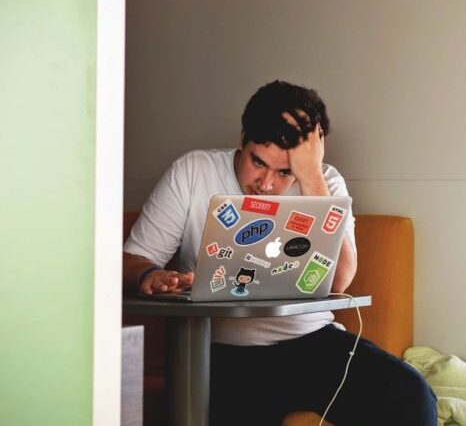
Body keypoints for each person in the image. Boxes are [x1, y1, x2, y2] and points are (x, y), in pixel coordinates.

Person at [122, 80, 437, 425]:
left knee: (412, 396)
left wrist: (311, 177)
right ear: (242, 139)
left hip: (310, 343)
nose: (267, 184)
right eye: (258, 163)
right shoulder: (193, 171)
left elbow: (341, 279)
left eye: (284, 171)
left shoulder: (325, 182)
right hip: (219, 353)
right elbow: (131, 260)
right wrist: (152, 275)